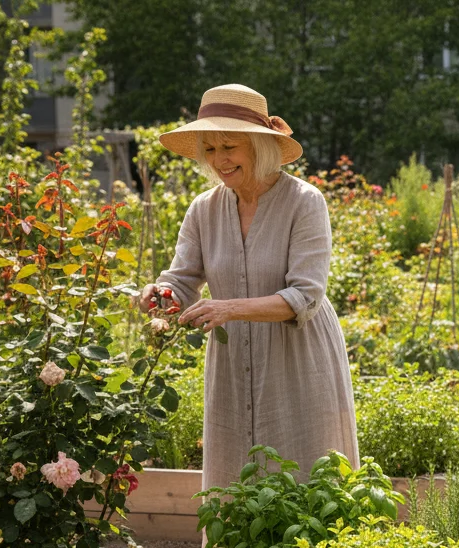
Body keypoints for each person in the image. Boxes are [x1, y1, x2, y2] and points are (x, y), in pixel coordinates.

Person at [141, 83, 359, 495]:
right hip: (232, 359)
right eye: (210, 149)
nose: (219, 160)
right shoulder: (204, 209)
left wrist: (228, 308)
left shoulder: (304, 202)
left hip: (298, 359)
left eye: (229, 146)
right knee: (235, 482)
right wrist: (160, 294)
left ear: (259, 145)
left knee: (305, 476)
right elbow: (182, 279)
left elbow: (305, 296)